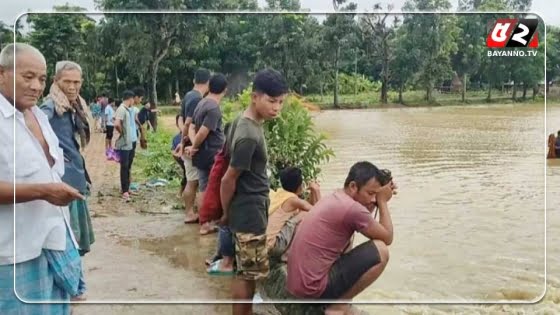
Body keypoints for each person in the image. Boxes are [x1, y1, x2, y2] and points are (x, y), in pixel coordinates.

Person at [0, 43, 86, 314]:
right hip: (15, 253)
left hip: (53, 242)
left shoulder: (38, 115)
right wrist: (42, 192)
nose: (36, 86)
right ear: (1, 73)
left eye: (41, 79)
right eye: (28, 77)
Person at [220, 68, 288, 315]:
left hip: (248, 209)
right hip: (248, 212)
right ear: (254, 97)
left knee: (244, 271)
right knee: (247, 275)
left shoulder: (243, 121)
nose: (276, 108)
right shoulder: (249, 134)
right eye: (271, 101)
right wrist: (226, 214)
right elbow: (228, 179)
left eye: (281, 102)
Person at [287, 161, 396, 315]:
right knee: (381, 250)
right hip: (312, 289)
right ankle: (338, 306)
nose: (373, 200)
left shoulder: (337, 196)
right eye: (370, 194)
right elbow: (387, 237)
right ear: (353, 186)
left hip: (298, 284)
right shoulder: (351, 209)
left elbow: (363, 225)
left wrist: (375, 199)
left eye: (376, 195)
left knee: (349, 245)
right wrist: (383, 202)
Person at [40, 60, 96, 256]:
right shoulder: (51, 106)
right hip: (64, 180)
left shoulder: (74, 106)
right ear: (56, 81)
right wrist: (51, 158)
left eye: (76, 82)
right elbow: (34, 130)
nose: (72, 87)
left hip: (76, 176)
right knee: (66, 239)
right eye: (67, 82)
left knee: (74, 239)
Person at [187, 73, 228, 216]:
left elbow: (192, 127)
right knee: (216, 188)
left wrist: (194, 145)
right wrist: (194, 146)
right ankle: (210, 220)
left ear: (209, 86)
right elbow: (203, 132)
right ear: (225, 90)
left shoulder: (201, 103)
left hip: (202, 154)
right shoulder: (213, 108)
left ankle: (203, 220)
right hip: (212, 154)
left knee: (203, 187)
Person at [266, 167, 321, 262]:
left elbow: (308, 205)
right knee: (303, 215)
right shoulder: (293, 200)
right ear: (299, 186)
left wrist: (312, 192)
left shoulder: (281, 193)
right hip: (275, 246)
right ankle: (287, 257)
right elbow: (317, 211)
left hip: (265, 244)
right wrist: (316, 191)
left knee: (301, 214)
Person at [179, 68, 210, 225]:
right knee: (195, 181)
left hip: (187, 144)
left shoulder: (188, 96)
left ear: (194, 80)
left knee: (192, 180)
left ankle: (191, 211)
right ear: (208, 83)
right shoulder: (197, 99)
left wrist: (182, 140)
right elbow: (189, 124)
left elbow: (180, 120)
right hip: (193, 147)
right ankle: (191, 213)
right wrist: (194, 143)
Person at [114, 90, 136, 202]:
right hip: (123, 144)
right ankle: (124, 191)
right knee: (124, 167)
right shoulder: (121, 109)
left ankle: (127, 188)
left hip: (129, 143)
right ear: (130, 99)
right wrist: (122, 132)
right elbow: (117, 123)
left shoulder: (127, 109)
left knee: (128, 166)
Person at [172, 114, 187, 196]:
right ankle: (181, 192)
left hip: (188, 159)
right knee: (187, 176)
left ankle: (181, 192)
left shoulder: (190, 136)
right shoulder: (177, 138)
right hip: (184, 160)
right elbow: (173, 152)